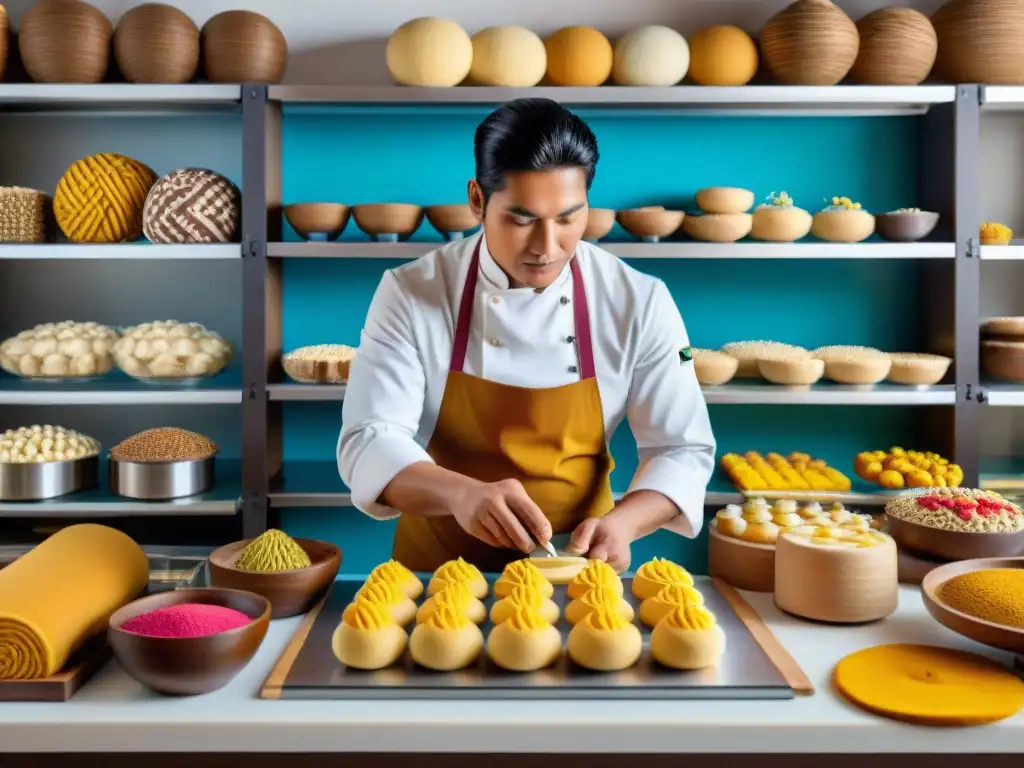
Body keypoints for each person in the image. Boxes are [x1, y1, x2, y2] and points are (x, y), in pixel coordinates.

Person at [338, 97, 715, 573]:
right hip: (437, 574)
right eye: (521, 220)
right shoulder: (412, 292)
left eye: (568, 218)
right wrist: (461, 494)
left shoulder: (639, 300)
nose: (547, 247)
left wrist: (624, 523)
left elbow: (681, 447)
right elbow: (369, 439)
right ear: (477, 199)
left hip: (576, 574)